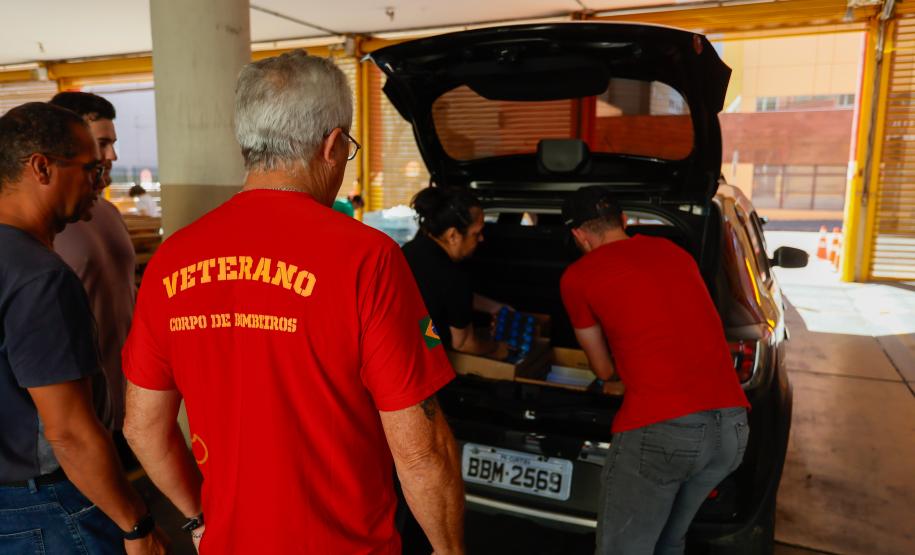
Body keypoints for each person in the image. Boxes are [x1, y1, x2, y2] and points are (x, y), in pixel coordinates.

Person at [121, 50, 465, 554]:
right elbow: (421, 448)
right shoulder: (367, 258)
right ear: (331, 146)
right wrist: (449, 550)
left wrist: (200, 519)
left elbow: (142, 427)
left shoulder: (173, 259)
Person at [0, 102, 167, 554]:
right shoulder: (41, 277)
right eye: (91, 167)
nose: (101, 179)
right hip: (46, 505)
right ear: (41, 167)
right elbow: (68, 432)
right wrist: (137, 527)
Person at [558, 186, 751, 554]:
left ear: (579, 236)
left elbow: (602, 368)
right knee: (668, 542)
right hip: (731, 427)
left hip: (663, 431)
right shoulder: (675, 253)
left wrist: (620, 370)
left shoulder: (578, 277)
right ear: (625, 221)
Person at [50, 92, 138, 467]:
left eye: (112, 143)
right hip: (82, 409)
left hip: (127, 399)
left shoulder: (105, 212)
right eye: (102, 144)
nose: (112, 157)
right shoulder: (47, 225)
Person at [401, 186, 509, 355]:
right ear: (452, 235)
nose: (482, 239)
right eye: (477, 233)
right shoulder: (453, 276)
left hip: (400, 336)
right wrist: (498, 348)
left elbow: (442, 297)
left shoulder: (412, 248)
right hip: (418, 354)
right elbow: (464, 344)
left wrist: (495, 308)